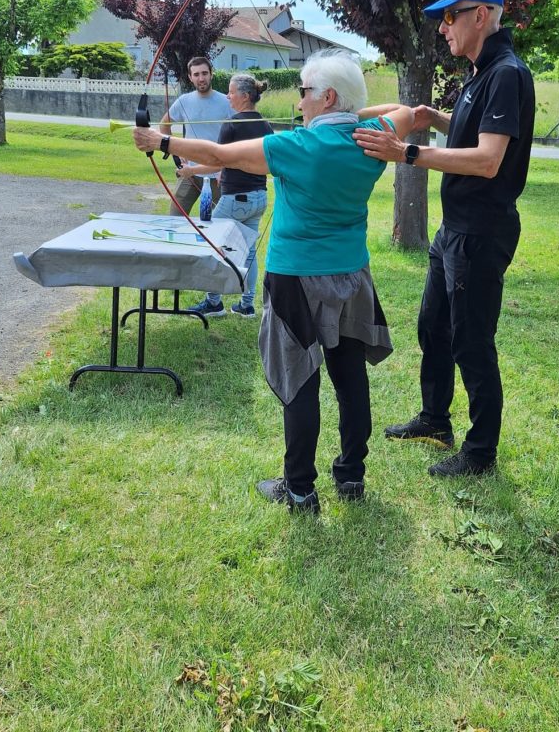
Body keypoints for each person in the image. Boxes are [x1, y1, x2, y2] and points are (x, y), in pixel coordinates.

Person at [134, 50, 413, 513]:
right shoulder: (375, 138)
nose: (298, 103)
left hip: (296, 278)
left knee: (300, 380)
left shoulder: (295, 148)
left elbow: (219, 155)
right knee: (349, 376)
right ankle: (351, 476)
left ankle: (300, 488)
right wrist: (347, 114)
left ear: (325, 97)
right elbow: (407, 112)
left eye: (305, 93)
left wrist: (160, 143)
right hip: (351, 274)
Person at [354, 0, 535, 477]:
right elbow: (473, 129)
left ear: (482, 15)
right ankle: (435, 418)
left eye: (451, 16)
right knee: (433, 327)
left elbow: (487, 160)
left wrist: (406, 152)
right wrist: (434, 119)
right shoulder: (481, 71)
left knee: (471, 341)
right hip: (454, 228)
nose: (443, 28)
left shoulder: (505, 73)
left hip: (480, 231)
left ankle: (480, 453)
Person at [184, 73, 274, 319]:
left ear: (245, 96)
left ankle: (214, 302)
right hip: (259, 198)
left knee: (212, 243)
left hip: (236, 200)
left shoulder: (232, 123)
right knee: (250, 251)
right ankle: (246, 304)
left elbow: (216, 161)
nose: (228, 96)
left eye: (232, 92)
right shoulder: (266, 125)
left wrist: (190, 170)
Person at [160, 55, 233, 216]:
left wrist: (226, 166)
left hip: (218, 175)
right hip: (189, 173)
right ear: (190, 77)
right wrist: (176, 153)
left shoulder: (226, 102)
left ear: (211, 74)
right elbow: (164, 125)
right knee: (174, 217)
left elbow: (239, 136)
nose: (201, 78)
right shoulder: (184, 101)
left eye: (204, 73)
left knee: (221, 223)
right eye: (196, 74)